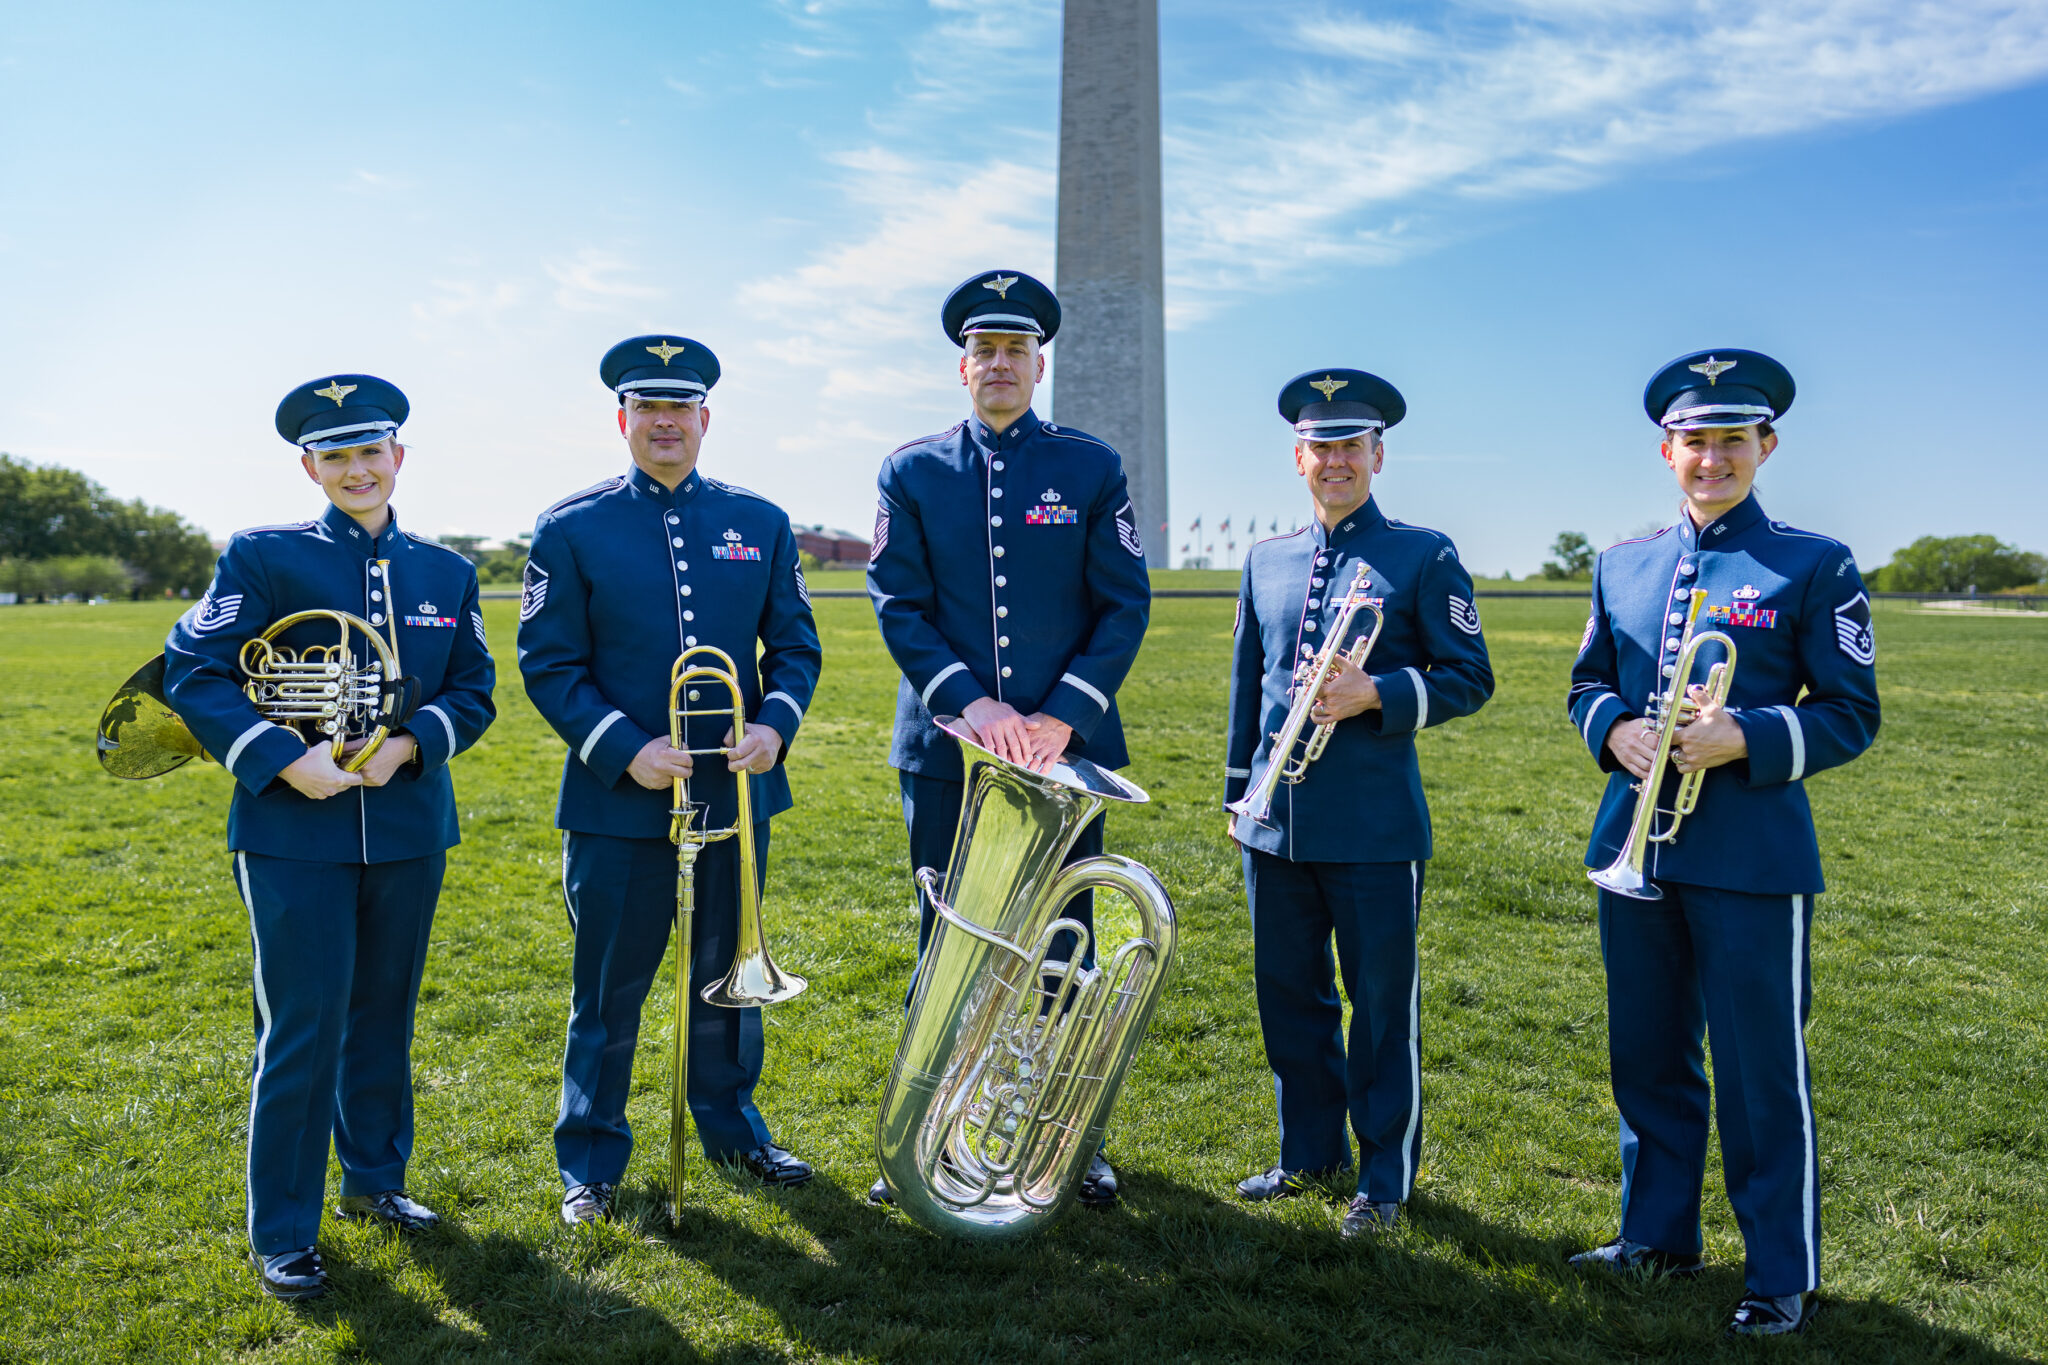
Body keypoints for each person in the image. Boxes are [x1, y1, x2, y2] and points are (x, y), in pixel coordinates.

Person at [1565, 350, 1880, 1336]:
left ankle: (1778, 1270)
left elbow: (1848, 712)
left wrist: (1743, 733)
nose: (1710, 459)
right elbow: (1585, 685)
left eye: (1729, 441)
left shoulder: (1812, 561)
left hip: (1750, 856)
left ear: (1764, 446)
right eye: (1693, 441)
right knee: (1647, 1057)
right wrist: (1611, 727)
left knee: (1756, 1071)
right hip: (1637, 846)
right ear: (1666, 449)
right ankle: (1654, 1234)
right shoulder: (1621, 563)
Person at [162, 375, 497, 1301]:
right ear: (310, 466)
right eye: (336, 456)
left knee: (384, 1015)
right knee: (304, 1024)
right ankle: (283, 1229)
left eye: (370, 451)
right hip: (290, 832)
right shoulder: (263, 557)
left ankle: (378, 1183)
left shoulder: (445, 571)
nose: (356, 468)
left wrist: (407, 746)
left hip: (406, 824)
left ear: (399, 457)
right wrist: (278, 755)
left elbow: (475, 690)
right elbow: (195, 668)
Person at [519, 335, 822, 1224]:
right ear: (623, 419)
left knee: (731, 976)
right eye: (646, 407)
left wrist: (774, 724)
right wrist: (623, 747)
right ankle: (590, 1160)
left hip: (733, 792)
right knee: (608, 988)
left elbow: (796, 646)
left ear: (704, 418)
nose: (663, 422)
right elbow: (550, 663)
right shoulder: (570, 526)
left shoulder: (759, 519)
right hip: (619, 801)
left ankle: (732, 1129)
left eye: (679, 407)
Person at [865, 269, 1152, 1207]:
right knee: (947, 943)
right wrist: (973, 708)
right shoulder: (909, 470)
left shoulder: (1091, 464)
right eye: (984, 350)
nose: (1000, 364)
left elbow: (1122, 603)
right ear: (962, 367)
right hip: (950, 750)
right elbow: (897, 602)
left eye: (1016, 351)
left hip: (1064, 755)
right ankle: (925, 1134)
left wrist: (1061, 715)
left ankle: (1068, 1140)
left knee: (1064, 944)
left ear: (1039, 364)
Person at [1223, 368, 1493, 1237]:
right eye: (1320, 446)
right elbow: (1246, 689)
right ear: (1298, 457)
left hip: (1375, 828)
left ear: (1377, 454)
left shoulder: (1423, 553)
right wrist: (1240, 793)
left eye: (1350, 445)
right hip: (1275, 823)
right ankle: (1309, 1152)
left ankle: (1383, 1175)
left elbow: (1469, 676)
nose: (1335, 460)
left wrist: (1376, 692)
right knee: (1288, 995)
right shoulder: (1267, 559)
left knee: (1379, 1008)